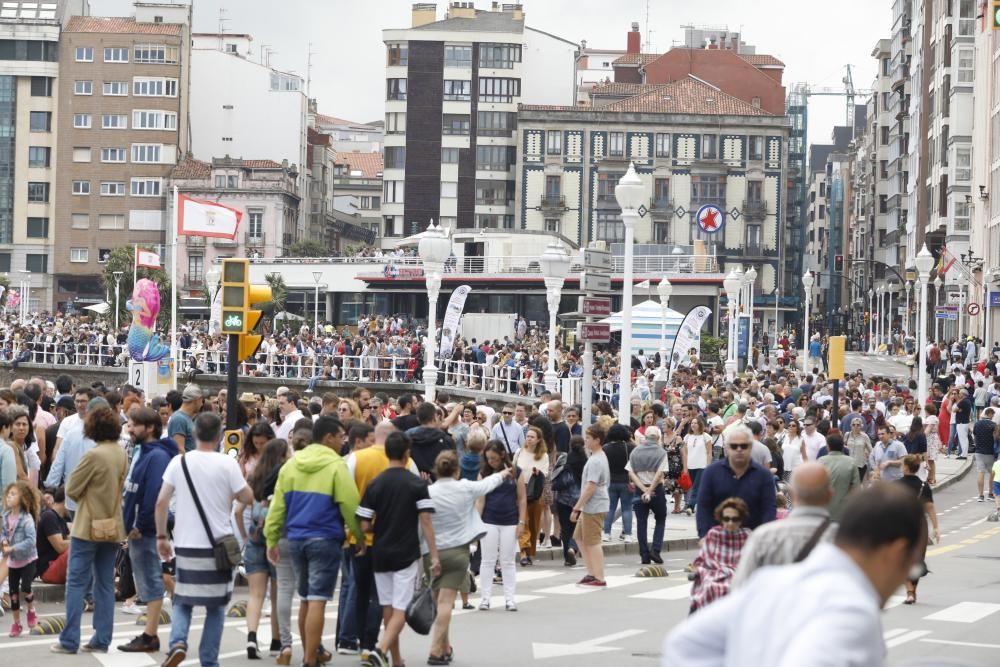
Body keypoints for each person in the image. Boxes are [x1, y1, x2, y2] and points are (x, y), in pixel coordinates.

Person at [662, 484, 929, 666]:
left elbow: (684, 644)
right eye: (912, 566)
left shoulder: (771, 581)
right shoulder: (850, 609)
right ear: (897, 551)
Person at [155, 412, 253, 667]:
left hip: (187, 545)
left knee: (182, 600)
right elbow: (247, 497)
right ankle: (209, 660)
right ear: (220, 435)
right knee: (216, 606)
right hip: (218, 546)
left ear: (195, 434)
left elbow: (162, 502)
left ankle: (177, 642)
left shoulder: (180, 463)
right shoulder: (227, 464)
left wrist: (162, 536)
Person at [264, 416, 361, 667]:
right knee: (318, 598)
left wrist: (271, 539)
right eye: (340, 436)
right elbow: (350, 505)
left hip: (295, 538)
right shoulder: (336, 466)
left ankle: (309, 652)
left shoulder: (291, 466)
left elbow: (277, 507)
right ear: (328, 438)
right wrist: (358, 536)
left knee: (305, 598)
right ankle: (309, 658)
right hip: (325, 537)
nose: (343, 441)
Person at [356, 431, 441, 667]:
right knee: (401, 608)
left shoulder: (375, 484)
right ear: (407, 455)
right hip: (407, 551)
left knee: (387, 605)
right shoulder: (416, 484)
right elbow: (425, 521)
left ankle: (395, 659)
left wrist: (371, 532)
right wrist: (434, 555)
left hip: (380, 551)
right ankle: (381, 650)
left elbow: (363, 522)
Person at [52, 405, 128, 655]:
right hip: (112, 525)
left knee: (76, 582)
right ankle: (102, 637)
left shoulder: (94, 455)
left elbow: (72, 489)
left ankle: (70, 638)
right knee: (105, 583)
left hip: (87, 526)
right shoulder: (120, 453)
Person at [423, 451, 509, 661]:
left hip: (431, 551)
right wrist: (504, 473)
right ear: (457, 469)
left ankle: (445, 647)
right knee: (446, 603)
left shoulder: (427, 491)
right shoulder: (464, 487)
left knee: (437, 603)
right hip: (457, 550)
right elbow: (487, 484)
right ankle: (436, 649)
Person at [117, 407, 175, 654]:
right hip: (138, 528)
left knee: (151, 582)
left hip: (145, 530)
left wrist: (139, 525)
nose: (129, 428)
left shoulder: (157, 456)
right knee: (149, 581)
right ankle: (149, 634)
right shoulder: (145, 451)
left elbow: (153, 495)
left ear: (149, 428)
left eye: (134, 424)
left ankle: (150, 635)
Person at [732, 463, 835, 586]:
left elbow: (740, 588)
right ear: (830, 495)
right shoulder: (846, 542)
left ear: (791, 493)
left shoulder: (763, 537)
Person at [695, 426, 777, 538]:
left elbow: (769, 509)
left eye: (744, 446)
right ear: (727, 448)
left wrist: (763, 538)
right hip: (718, 540)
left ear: (751, 447)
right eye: (734, 446)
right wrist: (704, 535)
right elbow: (704, 507)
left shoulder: (764, 475)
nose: (739, 449)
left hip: (753, 541)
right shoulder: (711, 473)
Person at [478, 440, 527, 606]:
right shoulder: (484, 473)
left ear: (502, 454)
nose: (491, 462)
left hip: (510, 520)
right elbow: (480, 500)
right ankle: (485, 598)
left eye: (494, 458)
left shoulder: (515, 472)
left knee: (507, 561)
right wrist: (477, 523)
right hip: (489, 520)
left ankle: (509, 598)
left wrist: (522, 521)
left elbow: (522, 498)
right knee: (487, 560)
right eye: (488, 458)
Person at [690, 498, 752, 614]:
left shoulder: (747, 535)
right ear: (721, 519)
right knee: (709, 587)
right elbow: (702, 559)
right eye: (726, 519)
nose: (730, 523)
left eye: (735, 519)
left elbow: (750, 562)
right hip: (714, 575)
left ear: (741, 520)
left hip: (738, 576)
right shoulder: (714, 533)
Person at [896, 455, 940, 604]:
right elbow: (930, 507)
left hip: (901, 525)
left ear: (906, 467)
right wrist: (936, 527)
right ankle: (912, 591)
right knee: (917, 560)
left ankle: (909, 591)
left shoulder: (896, 485)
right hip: (920, 526)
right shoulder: (923, 486)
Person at [570, 425, 610, 587]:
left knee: (593, 541)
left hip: (594, 505)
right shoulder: (598, 456)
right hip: (592, 505)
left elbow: (590, 486)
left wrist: (577, 507)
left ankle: (599, 577)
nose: (585, 440)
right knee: (579, 537)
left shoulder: (595, 460)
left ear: (597, 440)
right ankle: (591, 572)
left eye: (588, 438)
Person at [626, 426, 669, 564]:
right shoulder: (661, 452)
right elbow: (660, 474)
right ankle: (656, 550)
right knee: (660, 519)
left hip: (640, 490)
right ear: (657, 437)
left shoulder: (635, 452)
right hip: (657, 490)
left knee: (641, 521)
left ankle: (644, 554)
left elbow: (631, 472)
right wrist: (650, 489)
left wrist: (643, 489)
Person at [1, 480, 40, 636]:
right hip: (13, 561)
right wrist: (3, 540)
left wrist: (12, 548)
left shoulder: (26, 519)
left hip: (28, 559)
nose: (9, 497)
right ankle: (16, 624)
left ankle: (31, 611)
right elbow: (3, 533)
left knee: (25, 588)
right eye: (8, 494)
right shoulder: (5, 517)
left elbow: (31, 541)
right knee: (13, 593)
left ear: (23, 498)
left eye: (13, 494)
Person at [515, 425, 549, 565]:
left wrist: (538, 472)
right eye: (527, 436)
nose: (528, 439)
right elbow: (513, 468)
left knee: (534, 524)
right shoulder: (519, 451)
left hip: (535, 491)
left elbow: (545, 472)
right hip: (521, 489)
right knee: (524, 521)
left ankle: (529, 552)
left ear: (538, 440)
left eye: (532, 437)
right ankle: (523, 552)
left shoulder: (543, 455)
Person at [602, 423, 635, 542]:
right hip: (626, 481)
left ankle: (606, 533)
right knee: (627, 508)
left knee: (610, 508)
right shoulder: (630, 447)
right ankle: (628, 534)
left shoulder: (605, 448)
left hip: (610, 481)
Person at [818, 433, 860, 521]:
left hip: (823, 511)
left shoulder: (820, 461)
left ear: (828, 447)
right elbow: (856, 489)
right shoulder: (851, 462)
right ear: (842, 446)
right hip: (844, 511)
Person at [35, 486, 70, 584]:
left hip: (57, 565)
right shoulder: (48, 516)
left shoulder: (61, 520)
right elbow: (60, 546)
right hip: (48, 569)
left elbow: (67, 541)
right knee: (79, 548)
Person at [683, 417, 712, 514]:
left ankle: (690, 506)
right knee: (695, 487)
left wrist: (708, 466)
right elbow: (685, 453)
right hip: (691, 465)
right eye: (692, 423)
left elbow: (709, 452)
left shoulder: (706, 437)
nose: (693, 425)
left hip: (702, 465)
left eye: (695, 423)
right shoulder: (687, 437)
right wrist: (685, 467)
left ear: (700, 425)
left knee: (695, 487)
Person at [167, 384, 203, 453]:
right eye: (201, 401)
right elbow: (179, 449)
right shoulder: (179, 419)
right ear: (196, 400)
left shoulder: (186, 418)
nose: (201, 404)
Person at [973, 408, 997, 502]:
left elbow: (975, 435)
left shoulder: (977, 424)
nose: (993, 417)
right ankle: (990, 493)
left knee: (980, 472)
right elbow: (995, 438)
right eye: (993, 415)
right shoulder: (993, 425)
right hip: (990, 452)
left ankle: (980, 495)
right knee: (992, 473)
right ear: (990, 414)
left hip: (979, 451)